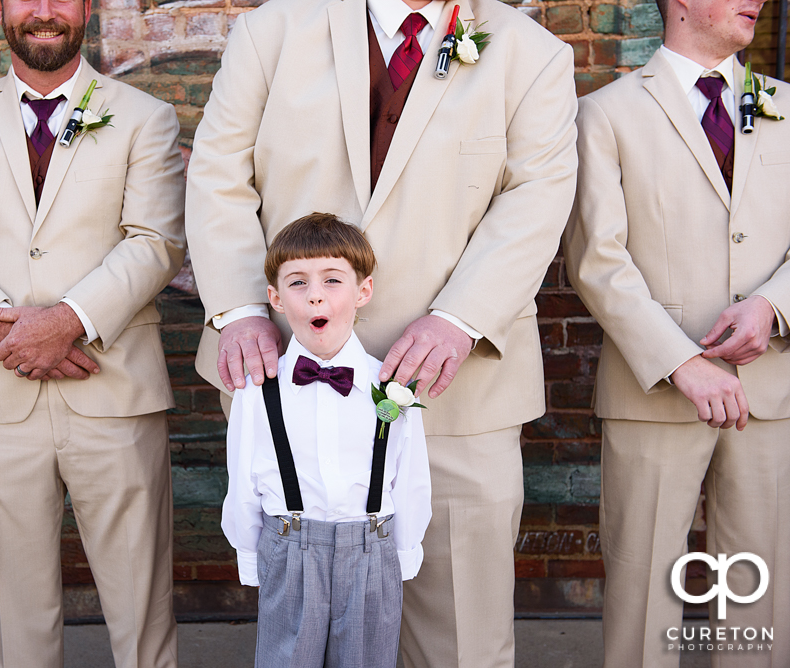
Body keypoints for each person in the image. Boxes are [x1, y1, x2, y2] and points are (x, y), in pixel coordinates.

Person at [185, 0, 577, 664]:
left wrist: (460, 318)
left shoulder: (533, 54)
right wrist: (243, 308)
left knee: (463, 640)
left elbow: (538, 196)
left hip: (461, 390)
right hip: (289, 383)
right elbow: (217, 175)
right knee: (305, 637)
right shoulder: (271, 30)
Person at [0, 0, 186, 662]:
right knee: (15, 607)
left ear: (86, 7)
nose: (44, 12)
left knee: (143, 602)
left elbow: (156, 242)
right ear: (0, 8)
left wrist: (67, 323)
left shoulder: (146, 117)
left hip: (114, 391)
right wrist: (11, 335)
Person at [563, 0, 790, 661]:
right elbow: (594, 260)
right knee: (641, 598)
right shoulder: (605, 115)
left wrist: (772, 307)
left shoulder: (786, 107)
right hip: (654, 394)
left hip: (769, 393)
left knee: (760, 597)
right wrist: (680, 362)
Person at [221, 213, 431, 667]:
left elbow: (409, 474)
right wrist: (250, 555)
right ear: (275, 299)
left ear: (363, 291)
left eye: (333, 279)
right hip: (289, 547)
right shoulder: (258, 387)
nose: (315, 293)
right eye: (297, 283)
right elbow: (242, 479)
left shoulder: (391, 386)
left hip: (371, 550)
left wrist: (404, 553)